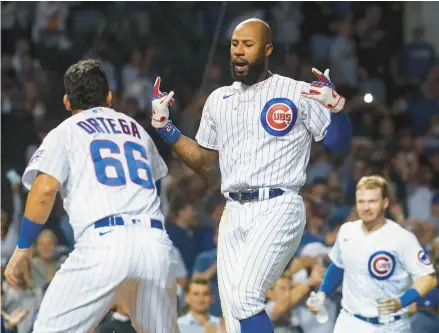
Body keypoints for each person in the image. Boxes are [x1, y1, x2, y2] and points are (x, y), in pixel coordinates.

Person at [151, 18, 352, 333]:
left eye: (248, 45)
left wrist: (336, 107)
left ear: (268, 48)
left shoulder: (298, 92)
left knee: (245, 297)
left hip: (279, 204)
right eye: (234, 45)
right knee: (233, 314)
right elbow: (204, 161)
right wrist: (167, 130)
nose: (239, 52)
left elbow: (339, 145)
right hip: (233, 211)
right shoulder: (218, 99)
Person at [4, 60, 178, 333]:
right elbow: (153, 184)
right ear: (109, 97)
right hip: (154, 244)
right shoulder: (136, 130)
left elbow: (45, 189)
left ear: (66, 101)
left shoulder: (66, 131)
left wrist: (24, 248)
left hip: (104, 243)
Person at [306, 175, 437, 333]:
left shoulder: (402, 238)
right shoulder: (347, 231)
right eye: (361, 201)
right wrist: (322, 293)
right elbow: (339, 265)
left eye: (372, 201)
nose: (366, 207)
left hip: (391, 325)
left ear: (385, 203)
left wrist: (401, 302)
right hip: (349, 321)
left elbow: (428, 278)